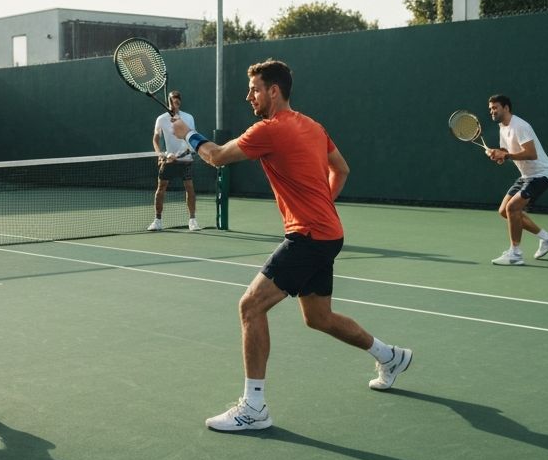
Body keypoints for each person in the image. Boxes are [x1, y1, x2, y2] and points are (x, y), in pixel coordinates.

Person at [171, 59, 412, 432]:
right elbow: (342, 170)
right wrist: (323, 205)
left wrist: (188, 134)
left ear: (273, 91)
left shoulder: (270, 129)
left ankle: (253, 408)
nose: (248, 95)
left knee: (251, 307)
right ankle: (389, 356)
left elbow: (216, 157)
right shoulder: (313, 126)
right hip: (328, 232)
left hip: (309, 235)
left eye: (254, 89)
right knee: (318, 317)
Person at [485, 94, 548, 266]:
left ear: (506, 108)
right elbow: (505, 153)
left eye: (495, 107)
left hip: (542, 174)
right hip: (526, 176)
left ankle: (515, 253)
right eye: (490, 109)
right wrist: (497, 155)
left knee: (513, 208)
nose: (492, 111)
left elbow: (531, 154)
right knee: (504, 211)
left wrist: (507, 155)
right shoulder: (502, 128)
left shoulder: (520, 126)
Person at [148, 89, 200, 232]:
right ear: (168, 102)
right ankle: (157, 220)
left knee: (189, 187)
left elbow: (192, 137)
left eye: (177, 100)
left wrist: (184, 153)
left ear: (180, 102)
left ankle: (192, 220)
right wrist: (160, 154)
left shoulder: (188, 118)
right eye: (172, 100)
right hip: (168, 160)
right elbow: (156, 138)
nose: (174, 103)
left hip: (186, 160)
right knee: (161, 188)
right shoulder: (161, 119)